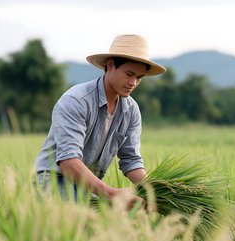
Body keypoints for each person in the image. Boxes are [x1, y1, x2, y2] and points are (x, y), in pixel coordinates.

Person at [34, 34, 166, 204]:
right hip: (56, 180)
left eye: (139, 77)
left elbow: (131, 159)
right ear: (110, 65)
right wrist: (111, 194)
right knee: (80, 227)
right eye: (129, 74)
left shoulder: (131, 110)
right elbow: (68, 162)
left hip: (90, 185)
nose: (133, 82)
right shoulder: (76, 101)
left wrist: (154, 193)